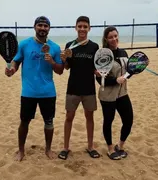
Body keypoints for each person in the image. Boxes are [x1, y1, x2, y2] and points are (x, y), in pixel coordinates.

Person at [5, 16, 64, 161]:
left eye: (45, 26)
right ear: (34, 27)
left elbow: (60, 70)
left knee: (49, 122)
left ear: (49, 28)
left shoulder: (55, 47)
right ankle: (21, 151)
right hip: (28, 92)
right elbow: (16, 61)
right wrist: (12, 69)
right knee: (24, 122)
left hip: (48, 92)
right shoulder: (24, 44)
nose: (43, 28)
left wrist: (51, 62)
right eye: (40, 25)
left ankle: (48, 149)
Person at [58, 16, 100, 160]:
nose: (82, 29)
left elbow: (96, 67)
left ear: (89, 28)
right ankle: (65, 148)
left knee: (90, 117)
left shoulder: (94, 47)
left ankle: (90, 147)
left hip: (89, 88)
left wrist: (101, 73)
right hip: (73, 88)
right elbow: (67, 67)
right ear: (75, 28)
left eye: (85, 26)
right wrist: (64, 60)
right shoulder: (70, 45)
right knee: (69, 117)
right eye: (80, 26)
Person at [95, 26, 134, 160]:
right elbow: (100, 78)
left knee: (128, 120)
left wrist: (130, 74)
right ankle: (110, 148)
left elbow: (128, 72)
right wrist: (116, 80)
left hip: (122, 93)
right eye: (111, 37)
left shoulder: (123, 53)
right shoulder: (103, 54)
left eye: (115, 36)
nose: (114, 39)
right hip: (107, 95)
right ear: (106, 39)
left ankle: (120, 146)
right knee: (108, 121)